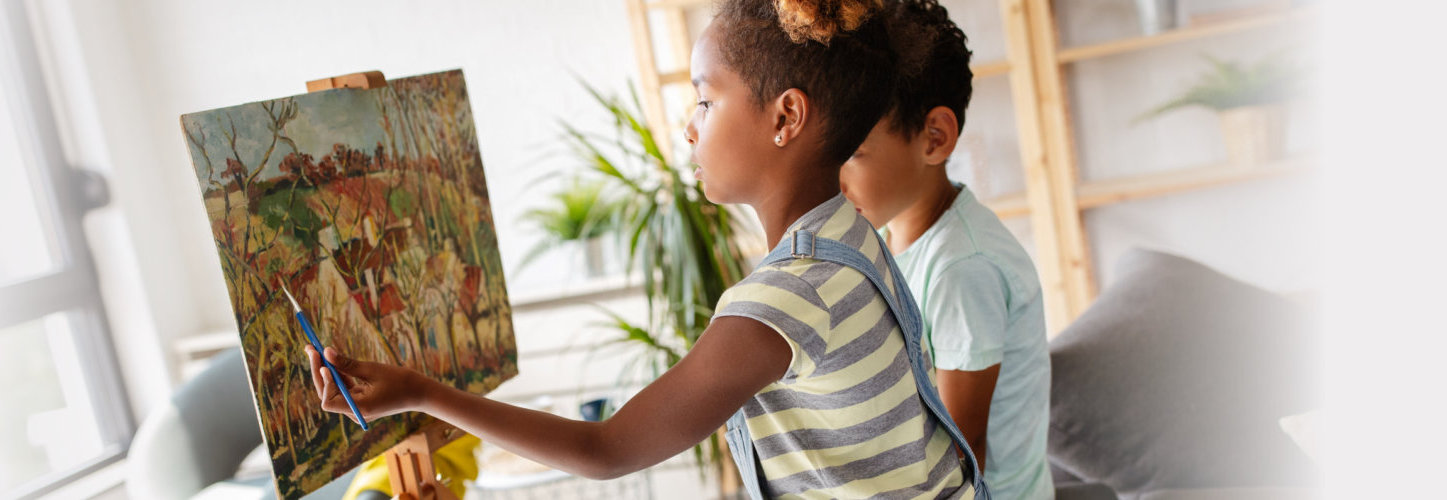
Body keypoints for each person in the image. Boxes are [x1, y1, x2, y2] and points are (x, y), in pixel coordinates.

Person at [303, 0, 984, 497]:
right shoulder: (848, 235)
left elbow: (605, 450)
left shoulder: (787, 297)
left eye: (705, 101)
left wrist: (422, 392)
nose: (689, 129)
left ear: (786, 118)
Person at [838, 1, 1054, 498]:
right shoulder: (896, 234)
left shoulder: (963, 268)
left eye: (852, 153)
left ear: (934, 138)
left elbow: (960, 452)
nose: (834, 179)